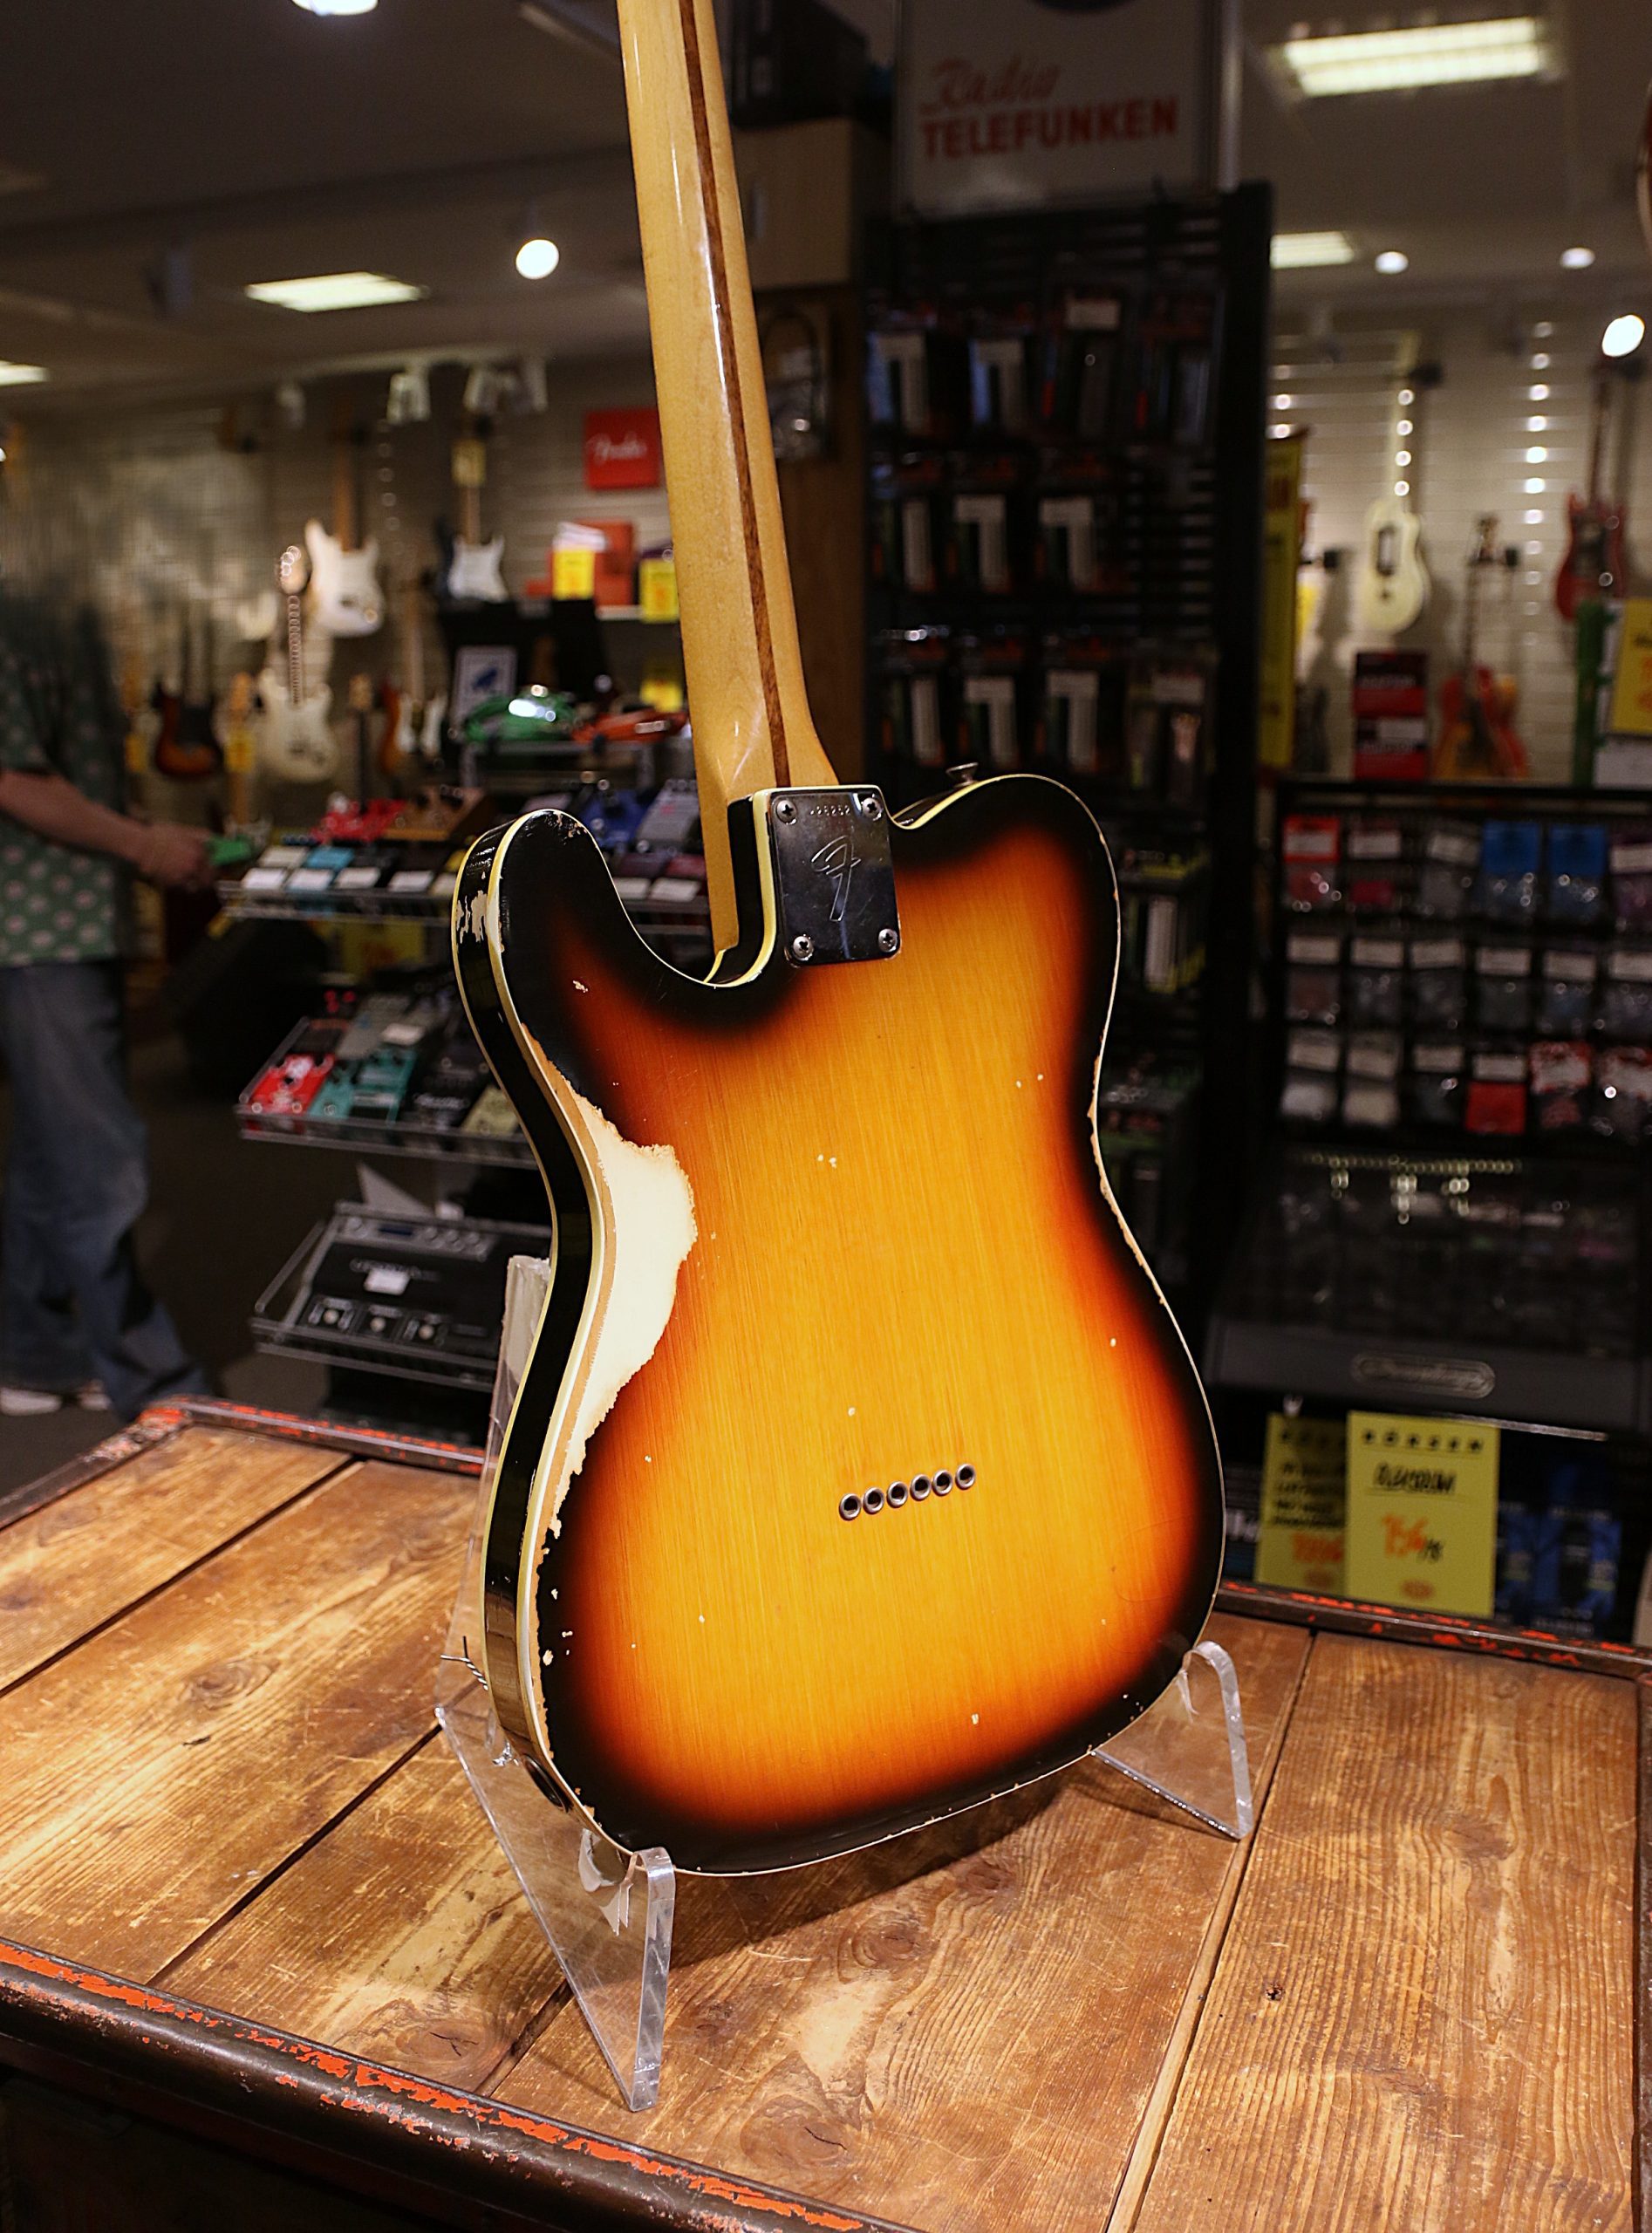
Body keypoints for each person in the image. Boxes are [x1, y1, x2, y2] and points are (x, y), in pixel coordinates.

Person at [0, 598, 214, 1422]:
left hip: (66, 925)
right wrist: (145, 845)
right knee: (99, 1162)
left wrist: (144, 832)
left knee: (49, 1157)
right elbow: (13, 778)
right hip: (38, 931)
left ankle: (35, 1353)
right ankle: (158, 1391)